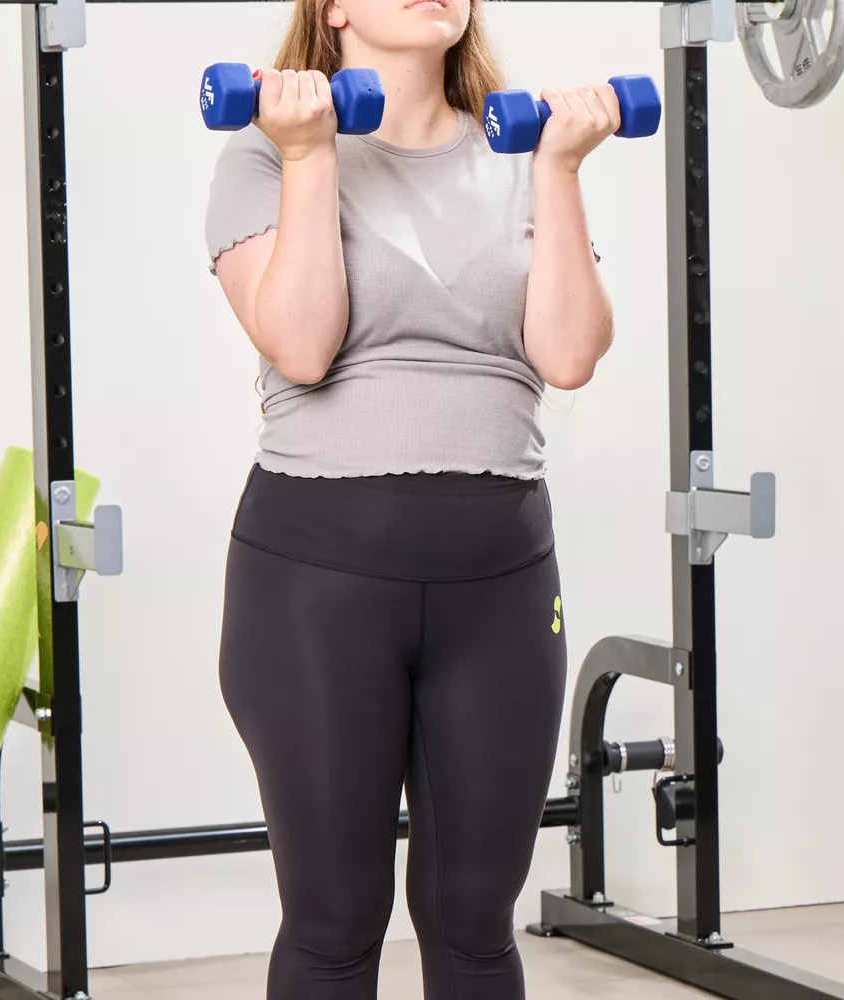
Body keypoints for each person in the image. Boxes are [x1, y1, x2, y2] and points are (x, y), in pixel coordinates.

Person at [204, 0, 620, 993]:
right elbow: (302, 346)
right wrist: (311, 154)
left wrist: (560, 171)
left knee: (476, 922)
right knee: (334, 921)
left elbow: (568, 355)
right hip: (317, 586)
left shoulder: (520, 154)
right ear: (334, 8)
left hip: (502, 584)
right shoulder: (262, 156)